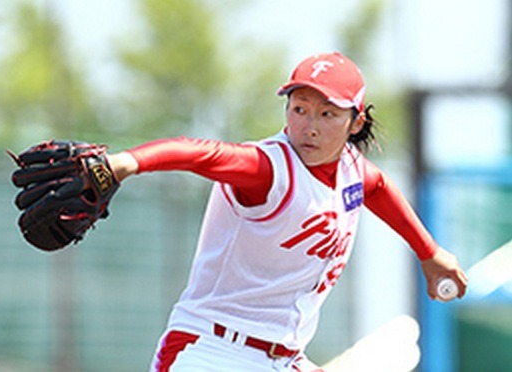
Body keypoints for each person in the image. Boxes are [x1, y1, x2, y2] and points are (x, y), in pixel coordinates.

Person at [105, 52, 468, 371]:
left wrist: (429, 252)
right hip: (211, 350)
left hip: (284, 358)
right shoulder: (269, 169)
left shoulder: (350, 171)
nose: (309, 127)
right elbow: (197, 152)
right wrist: (125, 163)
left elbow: (378, 187)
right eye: (300, 109)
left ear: (355, 123)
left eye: (328, 113)